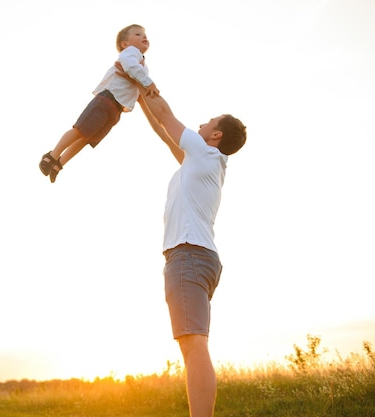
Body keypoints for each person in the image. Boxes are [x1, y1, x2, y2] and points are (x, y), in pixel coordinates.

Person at [119, 66, 246, 417]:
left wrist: (138, 76)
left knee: (194, 347)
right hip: (195, 257)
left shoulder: (205, 154)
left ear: (215, 135)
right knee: (193, 345)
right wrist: (138, 97)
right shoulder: (202, 161)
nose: (201, 124)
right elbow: (164, 131)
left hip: (189, 256)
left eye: (208, 122)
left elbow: (167, 116)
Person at [38, 24, 159, 183]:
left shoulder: (143, 63)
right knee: (80, 130)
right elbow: (130, 67)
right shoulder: (131, 53)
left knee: (87, 138)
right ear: (125, 44)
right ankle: (52, 155)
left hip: (116, 108)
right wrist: (149, 84)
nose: (144, 37)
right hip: (107, 98)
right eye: (138, 34)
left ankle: (59, 164)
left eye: (145, 35)